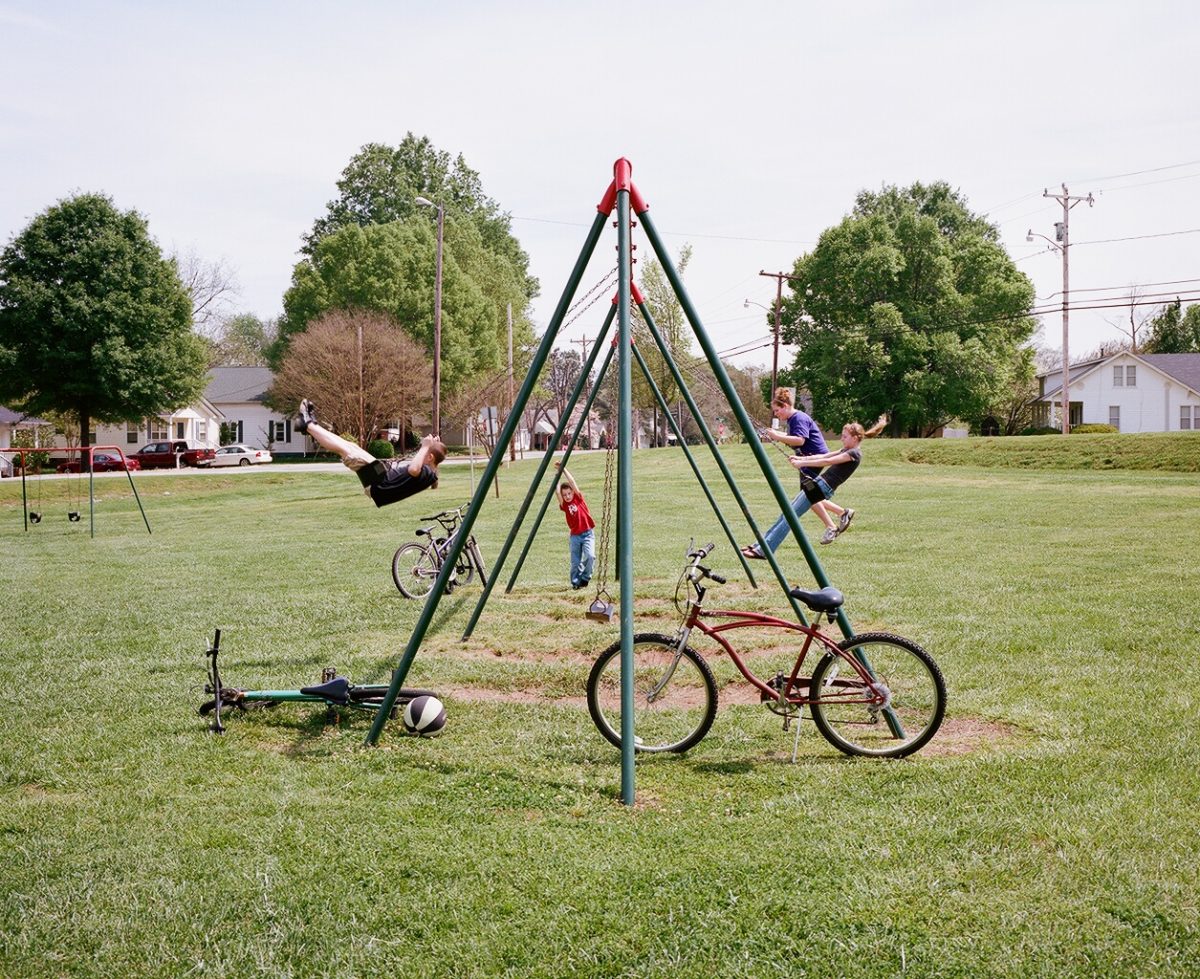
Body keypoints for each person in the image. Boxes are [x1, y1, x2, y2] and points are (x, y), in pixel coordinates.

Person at [742, 414, 887, 554]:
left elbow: (827, 462)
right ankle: (759, 545)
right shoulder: (847, 449)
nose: (842, 439)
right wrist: (802, 459)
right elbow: (824, 455)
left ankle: (764, 550)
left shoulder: (854, 454)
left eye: (845, 437)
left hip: (822, 488)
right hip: (817, 484)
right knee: (787, 512)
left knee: (790, 516)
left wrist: (802, 463)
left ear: (855, 438)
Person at [295, 399, 446, 507]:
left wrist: (425, 447)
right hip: (380, 477)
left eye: (427, 453)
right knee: (351, 446)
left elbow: (414, 469)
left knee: (346, 450)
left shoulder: (426, 471)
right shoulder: (429, 472)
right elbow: (427, 466)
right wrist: (433, 447)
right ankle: (310, 424)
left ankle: (307, 425)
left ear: (430, 457)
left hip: (380, 482)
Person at [554, 462, 595, 590]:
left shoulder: (578, 498)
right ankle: (575, 582)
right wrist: (557, 476)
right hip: (575, 537)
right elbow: (557, 493)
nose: (567, 496)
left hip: (588, 533)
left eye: (569, 494)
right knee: (575, 563)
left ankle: (585, 578)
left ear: (573, 492)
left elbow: (572, 481)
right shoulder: (564, 505)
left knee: (590, 556)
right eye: (565, 495)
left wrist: (563, 469)